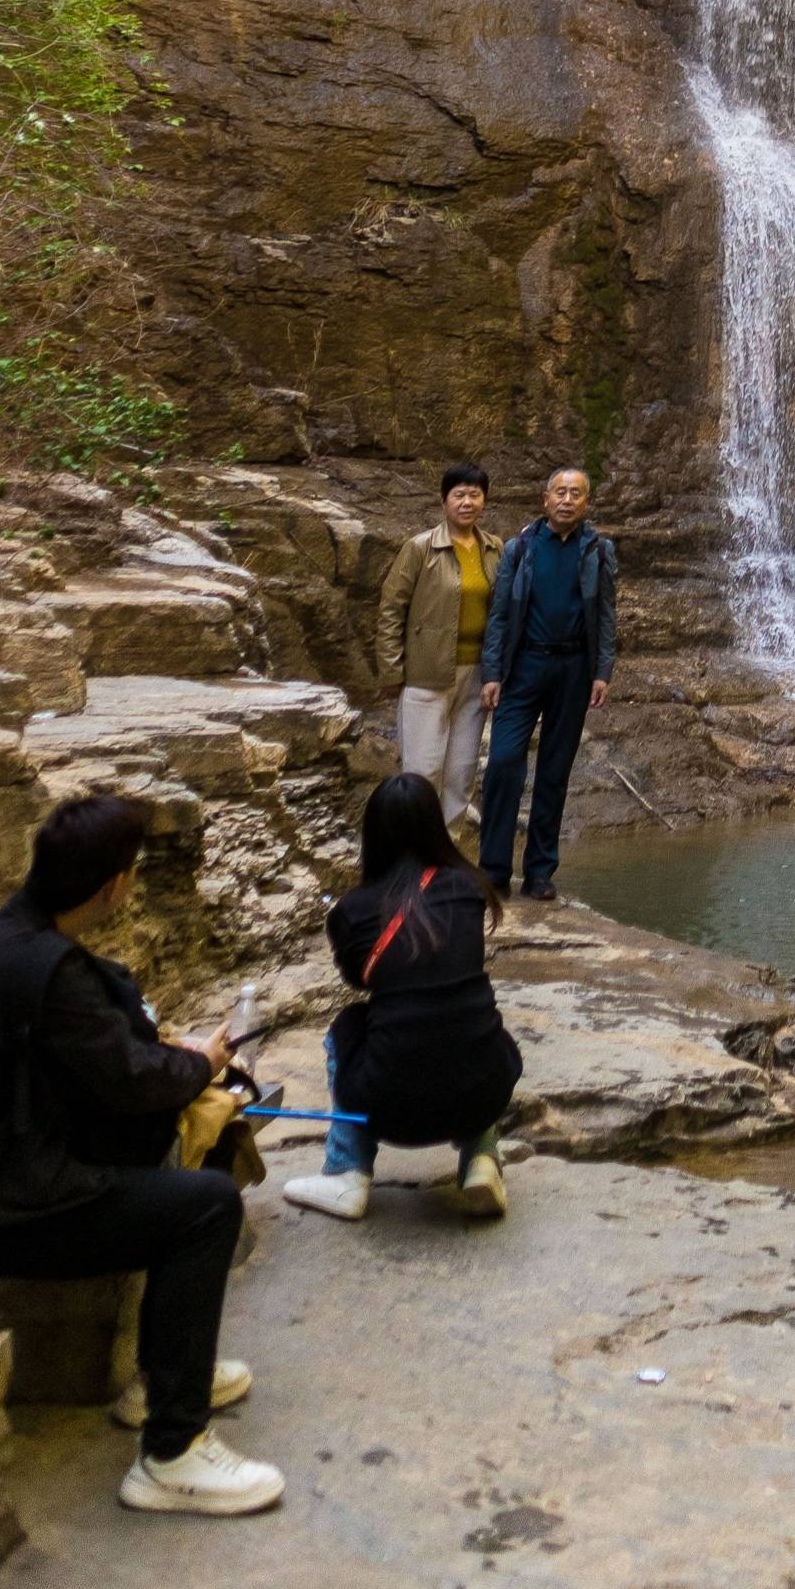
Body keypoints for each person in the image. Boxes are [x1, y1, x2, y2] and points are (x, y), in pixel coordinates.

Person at [0, 793, 282, 1515]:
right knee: (203, 1207)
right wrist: (200, 1066)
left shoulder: (6, 940)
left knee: (166, 1158)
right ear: (115, 886)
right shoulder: (47, 969)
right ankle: (172, 1451)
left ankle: (165, 1374)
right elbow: (133, 1081)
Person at [283, 774, 522, 1227]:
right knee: (476, 1030)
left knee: (347, 1027)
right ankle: (481, 1159)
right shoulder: (470, 889)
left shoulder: (354, 910)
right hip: (483, 1092)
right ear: (436, 827)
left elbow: (360, 982)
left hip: (389, 1105)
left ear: (372, 834)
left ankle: (346, 1171)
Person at [477, 466, 618, 903]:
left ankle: (539, 871)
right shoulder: (520, 549)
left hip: (573, 669)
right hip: (524, 667)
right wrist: (493, 673)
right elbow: (499, 614)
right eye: (560, 492)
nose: (567, 499)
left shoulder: (598, 550)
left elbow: (607, 617)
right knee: (503, 764)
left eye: (576, 493)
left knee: (554, 772)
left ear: (586, 503)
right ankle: (493, 870)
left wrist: (602, 671)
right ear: (545, 499)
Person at [374, 463, 499, 838]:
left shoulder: (495, 549)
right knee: (422, 772)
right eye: (459, 494)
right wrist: (392, 672)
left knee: (460, 773)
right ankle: (410, 853)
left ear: (484, 500)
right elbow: (391, 609)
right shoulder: (420, 547)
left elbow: (504, 612)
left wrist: (498, 673)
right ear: (443, 500)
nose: (467, 502)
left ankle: (447, 855)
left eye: (474, 494)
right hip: (425, 675)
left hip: (476, 676)